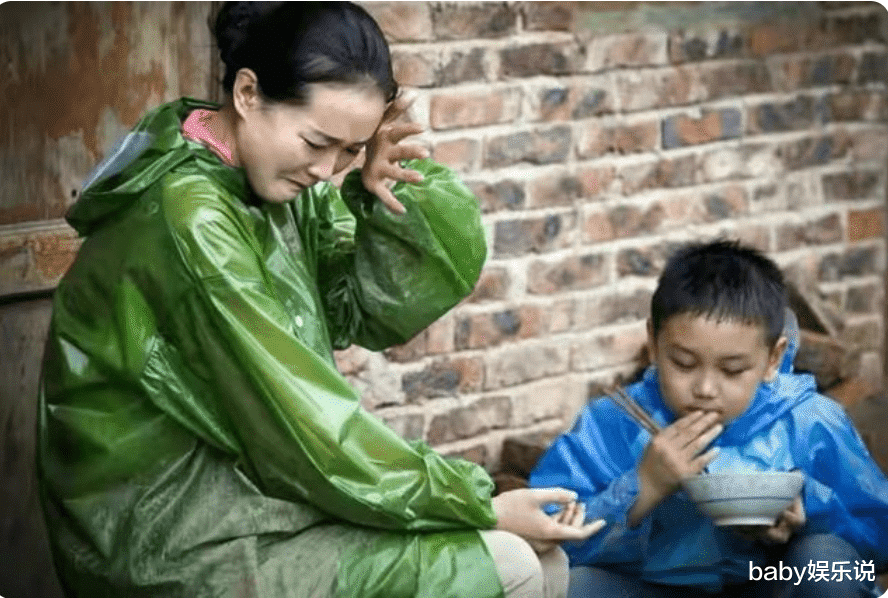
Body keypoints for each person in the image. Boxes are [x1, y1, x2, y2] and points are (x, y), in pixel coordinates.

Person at [36, 3, 603, 597]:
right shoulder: (191, 218)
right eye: (318, 142)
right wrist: (479, 503)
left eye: (350, 152)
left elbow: (360, 308)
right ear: (249, 93)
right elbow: (301, 422)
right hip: (170, 527)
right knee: (507, 563)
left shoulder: (274, 178)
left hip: (260, 493)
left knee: (543, 562)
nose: (327, 169)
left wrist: (383, 194)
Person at [529, 239, 888, 598]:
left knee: (825, 563)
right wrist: (644, 488)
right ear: (653, 344)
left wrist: (809, 512)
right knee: (573, 587)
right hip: (652, 588)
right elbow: (544, 538)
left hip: (768, 587)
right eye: (683, 363)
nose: (704, 388)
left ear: (773, 359)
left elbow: (880, 541)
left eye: (732, 370)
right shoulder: (613, 422)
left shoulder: (809, 421)